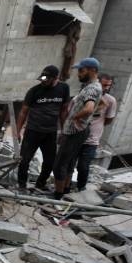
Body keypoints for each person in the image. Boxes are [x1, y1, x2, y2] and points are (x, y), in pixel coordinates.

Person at [52, 57, 103, 199]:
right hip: (78, 131)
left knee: (60, 164)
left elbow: (89, 108)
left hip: (75, 131)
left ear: (92, 70)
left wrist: (75, 118)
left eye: (82, 70)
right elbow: (100, 105)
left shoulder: (92, 88)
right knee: (69, 162)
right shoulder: (92, 87)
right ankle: (66, 189)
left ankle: (58, 195)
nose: (79, 74)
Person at [14, 65, 71, 192]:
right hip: (32, 131)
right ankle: (21, 185)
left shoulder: (63, 88)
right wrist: (17, 131)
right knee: (24, 160)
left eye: (47, 79)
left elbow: (64, 110)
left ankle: (40, 183)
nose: (43, 81)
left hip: (50, 132)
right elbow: (23, 112)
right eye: (42, 79)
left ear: (56, 78)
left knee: (50, 161)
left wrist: (64, 130)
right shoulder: (34, 91)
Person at [74, 73, 117, 191]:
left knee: (83, 166)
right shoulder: (85, 95)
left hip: (91, 140)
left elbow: (108, 120)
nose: (106, 88)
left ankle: (81, 188)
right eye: (104, 85)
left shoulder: (110, 101)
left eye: (108, 86)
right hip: (76, 136)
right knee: (68, 165)